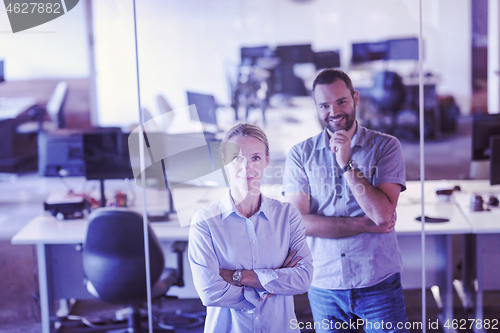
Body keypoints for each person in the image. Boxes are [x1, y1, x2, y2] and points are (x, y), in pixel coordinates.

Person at [283, 69, 409, 332]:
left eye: (341, 101)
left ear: (355, 98)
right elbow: (299, 224)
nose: (334, 111)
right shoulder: (300, 154)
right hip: (325, 283)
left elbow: (383, 215)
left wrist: (346, 163)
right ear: (316, 108)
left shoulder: (386, 147)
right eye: (325, 105)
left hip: (377, 280)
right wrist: (363, 225)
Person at [188, 123, 313, 333]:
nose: (247, 167)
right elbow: (210, 292)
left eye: (255, 158)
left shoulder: (286, 215)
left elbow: (303, 279)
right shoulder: (204, 222)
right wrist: (272, 282)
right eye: (237, 158)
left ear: (267, 160)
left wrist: (237, 277)